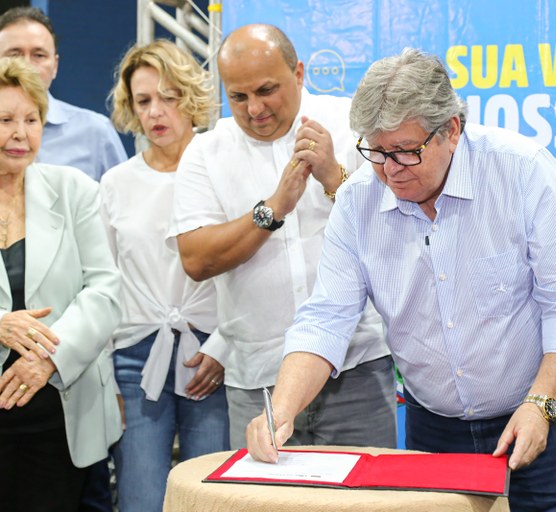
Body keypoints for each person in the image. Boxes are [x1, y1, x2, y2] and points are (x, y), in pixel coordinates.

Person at [246, 48, 556, 512]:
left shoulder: (522, 172)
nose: (390, 170)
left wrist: (541, 402)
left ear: (451, 130)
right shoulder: (358, 201)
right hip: (433, 424)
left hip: (538, 408)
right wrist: (283, 411)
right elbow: (327, 317)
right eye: (376, 151)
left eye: (405, 151)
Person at [170, 24, 396, 450]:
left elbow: (396, 231)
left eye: (266, 89)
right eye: (238, 96)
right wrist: (271, 210)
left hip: (356, 367)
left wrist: (335, 179)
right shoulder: (205, 152)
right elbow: (196, 260)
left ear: (299, 73)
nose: (254, 108)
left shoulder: (352, 126)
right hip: (257, 378)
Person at [0, 8, 128, 510]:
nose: (20, 132)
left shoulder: (72, 189)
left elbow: (104, 290)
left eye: (31, 120)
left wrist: (49, 356)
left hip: (63, 412)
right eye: (6, 120)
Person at [101, 40, 229, 512]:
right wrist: (107, 377)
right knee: (138, 499)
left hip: (212, 355)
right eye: (143, 100)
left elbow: (245, 271)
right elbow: (104, 283)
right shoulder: (116, 183)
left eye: (168, 96)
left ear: (191, 97)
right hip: (135, 357)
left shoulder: (222, 171)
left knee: (210, 499)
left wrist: (223, 346)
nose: (157, 111)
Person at [0, 7, 127, 181]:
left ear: (55, 66)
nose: (27, 65)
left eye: (39, 55)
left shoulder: (96, 133)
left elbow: (121, 202)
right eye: (15, 54)